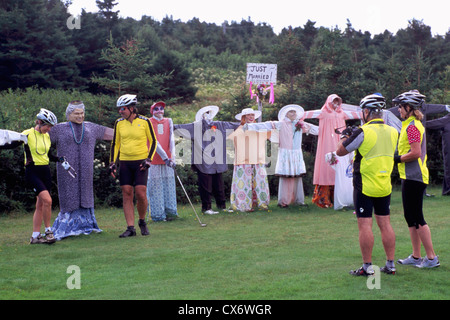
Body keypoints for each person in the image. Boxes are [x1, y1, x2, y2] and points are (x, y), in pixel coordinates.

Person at [336, 94, 399, 276]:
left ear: (366, 111)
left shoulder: (362, 131)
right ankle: (390, 264)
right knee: (385, 224)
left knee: (365, 226)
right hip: (384, 184)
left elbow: (340, 151)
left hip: (364, 184)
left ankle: (367, 266)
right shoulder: (393, 131)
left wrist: (344, 135)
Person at [50, 100, 114, 240]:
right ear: (69, 114)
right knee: (68, 194)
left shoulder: (91, 127)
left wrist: (128, 132)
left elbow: (113, 134)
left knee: (85, 194)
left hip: (86, 170)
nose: (80, 116)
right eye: (76, 113)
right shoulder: (59, 129)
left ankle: (87, 224)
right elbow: (39, 138)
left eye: (82, 113)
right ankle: (68, 225)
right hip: (67, 170)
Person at [393, 92, 440, 268]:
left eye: (400, 106)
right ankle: (416, 256)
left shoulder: (412, 126)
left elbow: (415, 153)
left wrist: (396, 158)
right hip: (409, 176)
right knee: (410, 216)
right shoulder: (408, 125)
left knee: (417, 217)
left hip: (415, 177)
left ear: (409, 108)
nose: (398, 109)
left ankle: (431, 258)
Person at [0, 109, 59, 244]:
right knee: (48, 201)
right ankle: (49, 231)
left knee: (40, 205)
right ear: (39, 122)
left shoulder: (47, 136)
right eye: (47, 126)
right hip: (32, 171)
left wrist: (59, 159)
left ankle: (35, 236)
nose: (49, 129)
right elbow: (11, 145)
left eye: (50, 127)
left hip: (46, 172)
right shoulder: (27, 134)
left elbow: (48, 156)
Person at [244, 104, 319, 207]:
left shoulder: (300, 124)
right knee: (286, 177)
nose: (293, 114)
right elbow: (266, 125)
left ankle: (299, 200)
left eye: (294, 112)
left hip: (296, 154)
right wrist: (250, 126)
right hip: (285, 154)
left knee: (297, 177)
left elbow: (315, 129)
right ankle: (284, 201)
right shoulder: (281, 124)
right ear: (286, 114)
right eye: (290, 112)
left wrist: (330, 129)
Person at [174, 106, 239, 214]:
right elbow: (179, 128)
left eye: (210, 113)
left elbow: (235, 126)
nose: (209, 115)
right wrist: (167, 124)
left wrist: (245, 123)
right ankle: (206, 208)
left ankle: (221, 206)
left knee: (219, 184)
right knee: (205, 185)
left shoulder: (220, 125)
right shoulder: (196, 126)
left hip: (217, 160)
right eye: (206, 113)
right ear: (202, 115)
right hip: (203, 160)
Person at [109, 94, 157, 237]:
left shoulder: (144, 121)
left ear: (131, 108)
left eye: (123, 109)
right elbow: (115, 143)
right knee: (127, 193)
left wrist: (149, 159)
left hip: (140, 162)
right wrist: (112, 162)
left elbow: (153, 141)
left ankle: (142, 221)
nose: (120, 112)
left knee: (141, 193)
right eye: (119, 109)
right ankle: (130, 228)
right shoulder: (119, 123)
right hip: (125, 162)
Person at [302, 94, 362, 208]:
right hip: (326, 142)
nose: (335, 104)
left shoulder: (342, 113)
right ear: (329, 102)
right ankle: (323, 198)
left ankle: (339, 196)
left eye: (337, 102)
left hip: (340, 141)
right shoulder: (323, 112)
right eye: (333, 101)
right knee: (325, 164)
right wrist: (298, 118)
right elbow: (306, 114)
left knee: (341, 162)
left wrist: (368, 114)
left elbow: (358, 114)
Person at [227, 108, 271, 212]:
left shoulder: (259, 128)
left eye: (252, 115)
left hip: (258, 160)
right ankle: (243, 205)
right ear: (244, 117)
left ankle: (261, 203)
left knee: (260, 183)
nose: (251, 117)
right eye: (248, 115)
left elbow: (271, 133)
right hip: (243, 161)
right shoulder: (239, 130)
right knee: (244, 183)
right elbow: (231, 141)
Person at [147, 101, 178, 222]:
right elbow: (154, 141)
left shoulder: (168, 121)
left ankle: (171, 213)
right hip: (154, 158)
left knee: (168, 185)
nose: (159, 110)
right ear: (152, 111)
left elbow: (171, 138)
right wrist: (165, 157)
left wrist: (172, 157)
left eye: (161, 108)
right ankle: (158, 215)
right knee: (156, 187)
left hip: (168, 160)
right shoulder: (149, 122)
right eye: (156, 109)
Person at [425, 114, 450, 195]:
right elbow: (431, 124)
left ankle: (447, 191)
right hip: (448, 150)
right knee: (448, 168)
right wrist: (419, 122)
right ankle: (447, 190)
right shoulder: (447, 119)